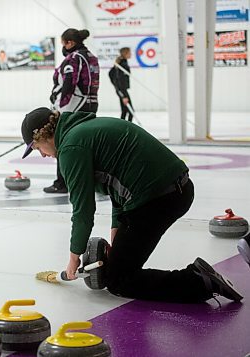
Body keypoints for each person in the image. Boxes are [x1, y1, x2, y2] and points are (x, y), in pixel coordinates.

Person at [20, 107, 243, 303]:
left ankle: (198, 281)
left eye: (37, 147)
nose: (41, 154)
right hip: (175, 190)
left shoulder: (70, 147)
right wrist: (117, 234)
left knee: (119, 280)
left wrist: (73, 258)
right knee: (120, 266)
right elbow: (117, 185)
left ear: (45, 135)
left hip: (157, 199)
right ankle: (199, 279)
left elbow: (83, 210)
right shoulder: (85, 130)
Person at [45, 28, 100, 194]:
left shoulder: (74, 58)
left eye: (63, 43)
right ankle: (93, 180)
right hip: (90, 104)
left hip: (73, 107)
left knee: (63, 143)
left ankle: (62, 183)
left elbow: (69, 83)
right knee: (86, 143)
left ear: (71, 43)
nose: (63, 47)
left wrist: (60, 109)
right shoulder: (91, 57)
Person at [110, 47, 134, 121]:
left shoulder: (122, 63)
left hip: (121, 90)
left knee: (125, 111)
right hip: (122, 91)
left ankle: (123, 129)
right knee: (130, 112)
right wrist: (123, 96)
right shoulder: (122, 64)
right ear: (125, 53)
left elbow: (111, 74)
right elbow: (120, 80)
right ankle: (128, 129)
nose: (131, 54)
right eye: (129, 53)